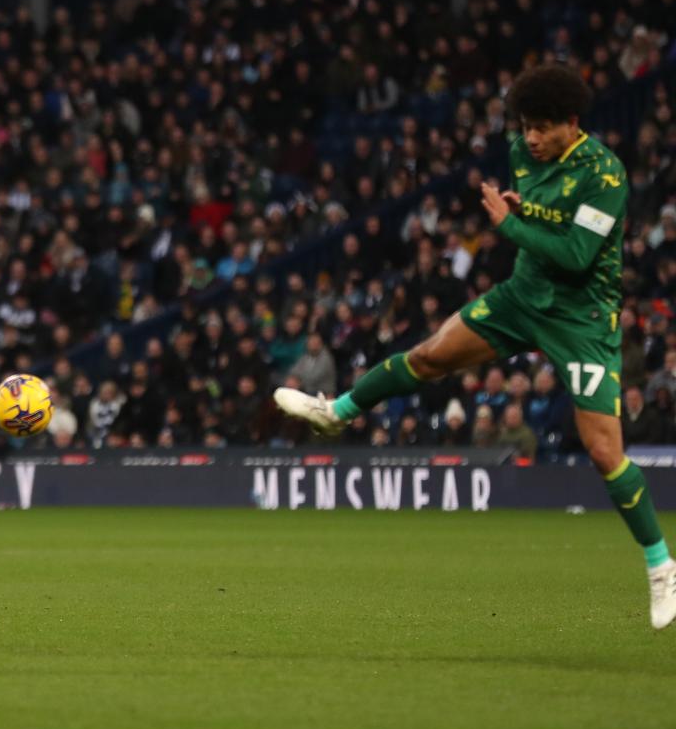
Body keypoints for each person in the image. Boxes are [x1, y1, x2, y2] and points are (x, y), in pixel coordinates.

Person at [275, 64, 676, 630]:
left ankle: (662, 567)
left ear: (571, 123)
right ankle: (335, 412)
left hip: (580, 318)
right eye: (525, 127)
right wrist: (523, 209)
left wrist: (509, 225)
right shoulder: (521, 151)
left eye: (542, 128)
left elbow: (577, 255)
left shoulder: (604, 175)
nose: (530, 138)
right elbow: (541, 216)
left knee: (605, 452)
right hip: (522, 297)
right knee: (428, 356)